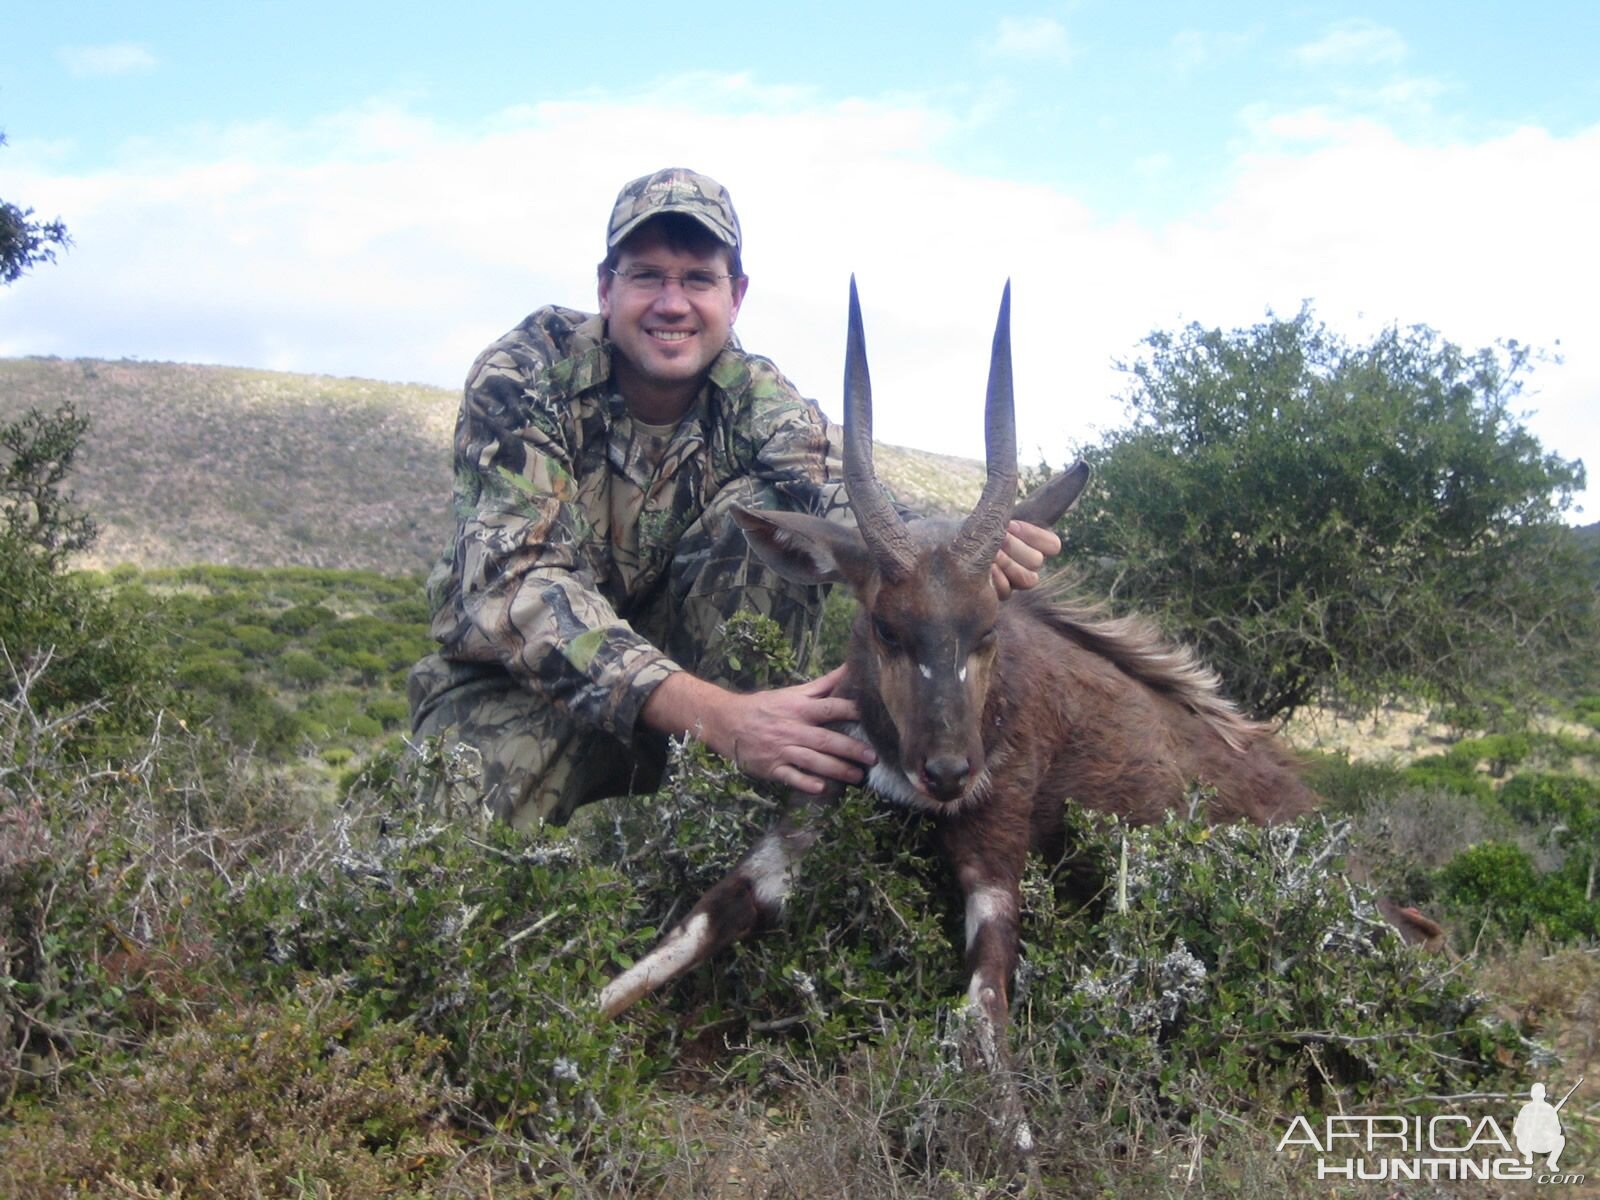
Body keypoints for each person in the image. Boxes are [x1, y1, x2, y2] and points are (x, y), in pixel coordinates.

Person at [408, 167, 1060, 829]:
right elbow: (517, 586)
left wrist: (958, 555)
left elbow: (846, 500)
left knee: (770, 517)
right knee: (439, 875)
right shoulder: (523, 375)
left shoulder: (756, 397)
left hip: (715, 711)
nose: (672, 302)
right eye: (647, 276)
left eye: (697, 279)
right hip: (533, 691)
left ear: (735, 295)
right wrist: (716, 717)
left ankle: (723, 837)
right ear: (606, 288)